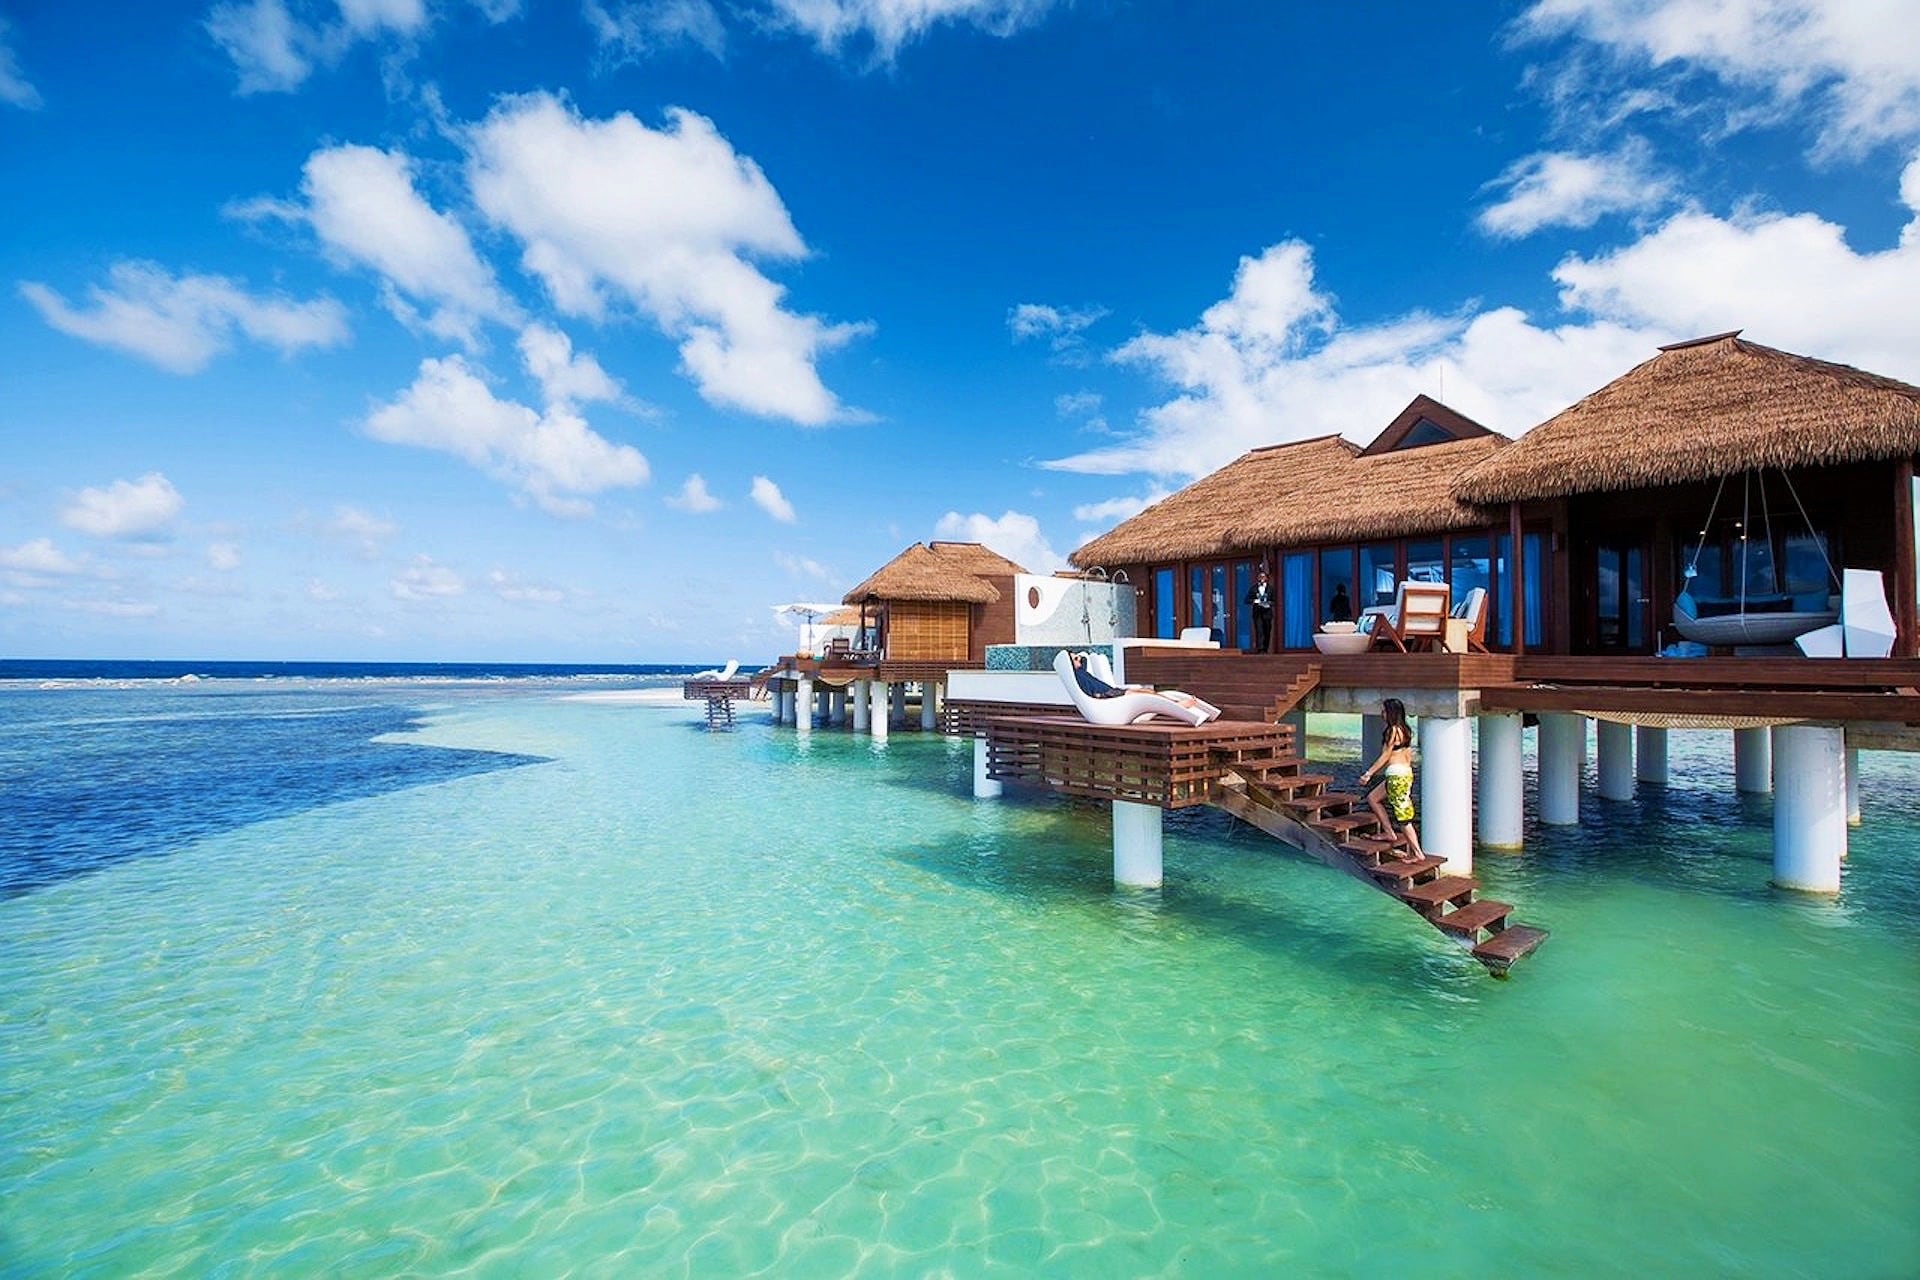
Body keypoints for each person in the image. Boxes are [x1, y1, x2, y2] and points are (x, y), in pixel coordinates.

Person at [1356, 698, 1424, 862]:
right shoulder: (1405, 729)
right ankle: (1389, 833)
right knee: (1373, 798)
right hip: (1403, 774)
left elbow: (1386, 755)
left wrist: (1369, 773)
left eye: (1384, 711)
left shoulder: (1393, 731)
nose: (1382, 714)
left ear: (1391, 713)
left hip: (1397, 776)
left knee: (1403, 818)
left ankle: (1417, 853)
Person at [1068, 652, 1215, 717]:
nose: (1079, 660)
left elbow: (1084, 661)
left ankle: (1176, 703)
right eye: (1076, 659)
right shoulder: (1077, 675)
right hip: (1109, 697)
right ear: (1070, 664)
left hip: (1113, 692)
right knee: (1148, 695)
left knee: (1147, 691)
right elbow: (1089, 692)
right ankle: (1179, 705)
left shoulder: (1081, 671)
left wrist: (1077, 658)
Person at [1244, 567, 1274, 652]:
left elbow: (1275, 601)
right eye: (1260, 577)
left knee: (1267, 630)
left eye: (1263, 577)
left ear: (1266, 578)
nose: (1262, 578)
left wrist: (1268, 603)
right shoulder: (1253, 588)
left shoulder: (1270, 589)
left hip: (1267, 612)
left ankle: (1265, 648)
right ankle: (1260, 649)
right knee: (1259, 630)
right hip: (1257, 613)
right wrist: (1254, 601)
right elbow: (1246, 600)